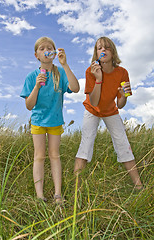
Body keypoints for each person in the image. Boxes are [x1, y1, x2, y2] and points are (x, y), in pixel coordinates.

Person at [74, 36, 143, 190]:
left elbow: (121, 104)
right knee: (86, 143)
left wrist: (123, 96)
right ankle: (76, 190)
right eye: (99, 48)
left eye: (107, 47)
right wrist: (98, 79)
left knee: (123, 143)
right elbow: (94, 102)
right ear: (96, 53)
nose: (103, 50)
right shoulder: (90, 71)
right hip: (92, 109)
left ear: (113, 52)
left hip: (111, 111)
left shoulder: (122, 73)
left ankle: (138, 186)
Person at [20, 36, 80, 203]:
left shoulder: (60, 72)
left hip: (55, 121)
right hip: (38, 121)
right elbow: (29, 106)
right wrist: (37, 86)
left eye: (49, 47)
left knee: (54, 155)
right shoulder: (32, 77)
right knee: (39, 156)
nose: (46, 50)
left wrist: (65, 64)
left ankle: (57, 195)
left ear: (54, 53)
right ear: (36, 55)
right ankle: (40, 196)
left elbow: (75, 88)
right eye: (42, 48)